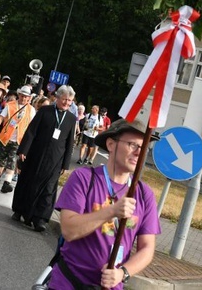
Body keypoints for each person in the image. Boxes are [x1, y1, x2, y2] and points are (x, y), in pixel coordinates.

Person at [48, 120, 160, 289]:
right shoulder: (83, 178)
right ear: (111, 144)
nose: (139, 153)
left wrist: (123, 273)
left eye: (143, 148)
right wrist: (111, 211)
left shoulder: (144, 194)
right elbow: (69, 230)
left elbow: (147, 248)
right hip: (69, 282)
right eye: (132, 145)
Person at [12, 85, 77, 232]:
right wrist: (24, 150)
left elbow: (70, 143)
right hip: (36, 154)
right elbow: (31, 131)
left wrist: (65, 164)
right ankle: (20, 210)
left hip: (55, 160)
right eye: (65, 99)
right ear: (58, 98)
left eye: (70, 101)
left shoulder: (72, 119)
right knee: (28, 182)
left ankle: (40, 219)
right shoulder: (45, 111)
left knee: (48, 189)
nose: (67, 103)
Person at [0, 85, 36, 193]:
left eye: (26, 97)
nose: (24, 98)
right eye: (22, 96)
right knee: (1, 160)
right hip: (5, 137)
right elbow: (0, 118)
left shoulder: (31, 110)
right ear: (19, 95)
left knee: (12, 161)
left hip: (19, 140)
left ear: (29, 98)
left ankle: (6, 183)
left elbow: (32, 126)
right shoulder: (10, 105)